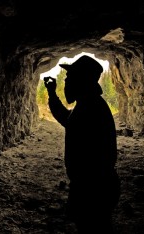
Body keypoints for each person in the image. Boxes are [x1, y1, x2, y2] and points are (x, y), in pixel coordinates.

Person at [44, 55, 121, 233]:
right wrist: (52, 93)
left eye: (70, 78)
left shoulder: (91, 108)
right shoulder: (88, 104)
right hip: (94, 186)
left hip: (93, 190)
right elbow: (67, 119)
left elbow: (68, 121)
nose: (66, 82)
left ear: (82, 81)